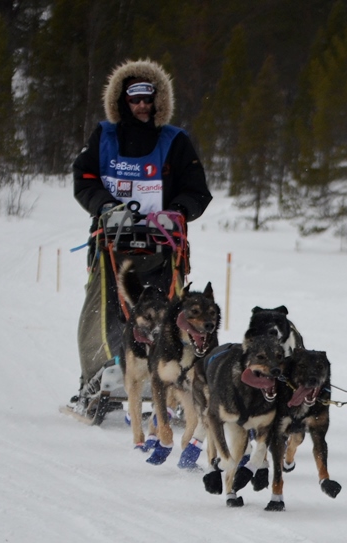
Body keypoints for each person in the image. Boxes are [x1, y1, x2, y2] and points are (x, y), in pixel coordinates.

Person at [68, 58, 212, 418]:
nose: (143, 105)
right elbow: (84, 178)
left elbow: (196, 189)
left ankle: (173, 375)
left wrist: (176, 210)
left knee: (170, 311)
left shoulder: (175, 140)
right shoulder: (104, 136)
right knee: (103, 310)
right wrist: (105, 205)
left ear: (159, 100)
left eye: (149, 98)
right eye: (135, 99)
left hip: (163, 245)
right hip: (111, 242)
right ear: (122, 100)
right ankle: (99, 374)